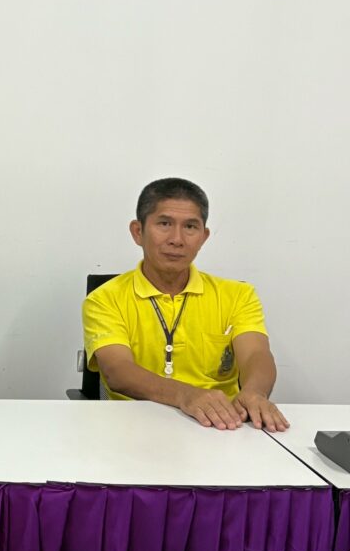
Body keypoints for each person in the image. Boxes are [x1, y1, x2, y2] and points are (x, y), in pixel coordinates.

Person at [82, 177, 288, 432]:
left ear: (203, 236)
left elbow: (256, 354)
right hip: (134, 429)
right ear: (138, 232)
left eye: (190, 226)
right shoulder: (104, 299)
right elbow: (118, 371)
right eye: (164, 224)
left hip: (220, 429)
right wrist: (186, 395)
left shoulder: (238, 295)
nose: (177, 239)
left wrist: (255, 393)